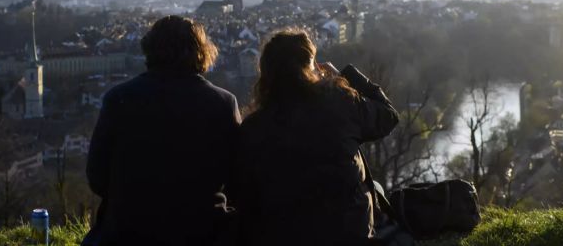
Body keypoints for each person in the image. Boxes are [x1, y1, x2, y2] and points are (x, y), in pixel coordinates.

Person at [83, 15, 241, 246]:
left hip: (127, 233)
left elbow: (97, 177)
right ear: (202, 52)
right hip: (202, 233)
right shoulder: (223, 103)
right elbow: (236, 179)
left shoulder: (119, 99)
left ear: (149, 50)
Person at [235, 29, 399, 246]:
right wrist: (345, 77)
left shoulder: (253, 127)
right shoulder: (339, 102)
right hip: (346, 235)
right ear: (308, 67)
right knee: (375, 191)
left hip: (282, 236)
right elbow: (388, 116)